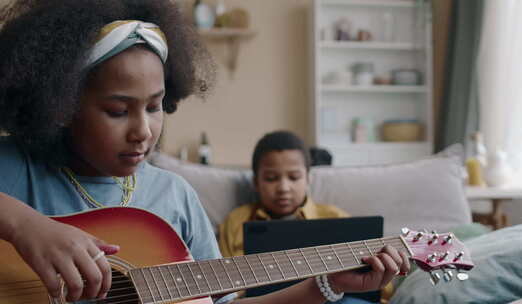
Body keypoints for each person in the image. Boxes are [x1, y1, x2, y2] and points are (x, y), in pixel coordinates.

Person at [0, 1, 409, 304]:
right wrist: (25, 226)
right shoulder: (15, 168)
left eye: (155, 106)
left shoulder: (174, 197)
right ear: (62, 106)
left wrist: (329, 284)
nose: (143, 131)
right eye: (118, 111)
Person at [218, 131, 393, 303]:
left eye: (294, 177)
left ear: (308, 179)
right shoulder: (236, 221)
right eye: (271, 178)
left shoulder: (335, 218)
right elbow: (224, 291)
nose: (284, 188)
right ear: (256, 182)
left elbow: (381, 290)